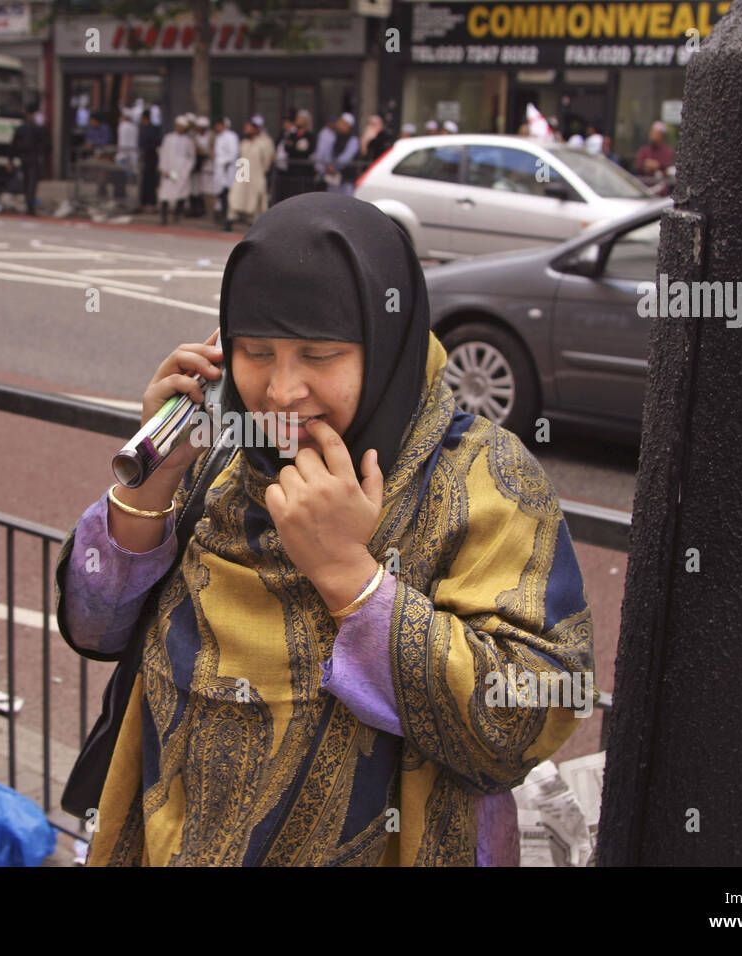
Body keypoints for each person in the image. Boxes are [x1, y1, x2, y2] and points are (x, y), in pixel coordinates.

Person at [54, 192, 595, 866]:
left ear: (386, 343)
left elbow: (526, 720)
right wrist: (155, 479)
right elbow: (92, 626)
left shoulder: (481, 478)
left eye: (319, 354)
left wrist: (350, 578)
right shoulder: (221, 452)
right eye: (256, 351)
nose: (282, 391)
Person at [224, 118, 273, 232]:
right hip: (243, 173)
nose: (247, 130)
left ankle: (257, 225)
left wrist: (262, 171)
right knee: (235, 196)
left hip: (257, 174)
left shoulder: (264, 143)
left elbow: (267, 162)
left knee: (257, 199)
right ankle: (230, 220)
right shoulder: (244, 143)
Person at [157, 114, 195, 225]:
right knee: (165, 193)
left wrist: (186, 171)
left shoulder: (188, 141)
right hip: (169, 170)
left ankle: (177, 215)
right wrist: (164, 169)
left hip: (181, 171)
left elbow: (191, 157)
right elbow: (163, 153)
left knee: (181, 192)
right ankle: (163, 217)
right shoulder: (168, 138)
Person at [273, 109, 316, 203]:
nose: (297, 120)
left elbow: (308, 150)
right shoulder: (292, 134)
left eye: (299, 118)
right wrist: (296, 149)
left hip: (304, 172)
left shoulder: (310, 136)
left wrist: (295, 149)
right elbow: (287, 147)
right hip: (291, 171)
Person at [11, 107, 46, 216]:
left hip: (23, 158)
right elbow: (44, 144)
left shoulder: (21, 128)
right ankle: (30, 207)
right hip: (33, 158)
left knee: (26, 182)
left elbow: (13, 144)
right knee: (32, 183)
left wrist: (11, 159)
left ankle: (28, 205)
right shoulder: (37, 128)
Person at [212, 116, 239, 223]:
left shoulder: (231, 136)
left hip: (227, 171)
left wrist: (223, 163)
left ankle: (228, 219)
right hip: (220, 170)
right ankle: (222, 216)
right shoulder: (219, 137)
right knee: (221, 194)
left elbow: (233, 154)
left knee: (227, 195)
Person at [635, 120, 676, 188]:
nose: (652, 135)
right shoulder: (644, 150)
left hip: (662, 191)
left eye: (655, 133)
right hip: (644, 188)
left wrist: (658, 166)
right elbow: (639, 165)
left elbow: (669, 169)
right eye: (651, 132)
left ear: (662, 136)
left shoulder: (669, 151)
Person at [137, 108, 162, 212]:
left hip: (151, 157)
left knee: (151, 181)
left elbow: (156, 142)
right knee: (145, 181)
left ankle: (151, 203)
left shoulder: (151, 129)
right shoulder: (144, 128)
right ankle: (144, 203)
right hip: (146, 157)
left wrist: (148, 147)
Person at [115, 106, 139, 202]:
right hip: (132, 155)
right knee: (129, 180)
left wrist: (123, 155)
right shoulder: (134, 127)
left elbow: (123, 142)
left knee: (121, 179)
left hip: (123, 156)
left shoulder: (123, 126)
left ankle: (120, 198)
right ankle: (127, 199)